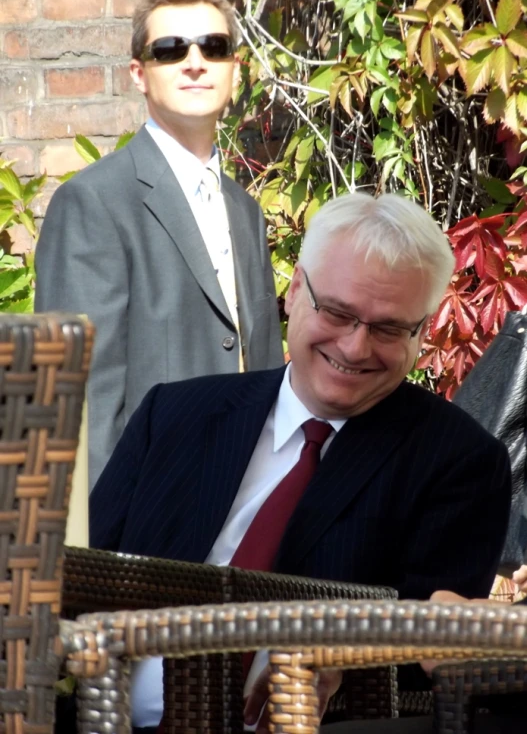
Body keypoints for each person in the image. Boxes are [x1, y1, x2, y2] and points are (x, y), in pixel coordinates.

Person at [90, 192, 512, 733]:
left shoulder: (459, 462)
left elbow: (430, 658)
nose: (356, 348)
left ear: (423, 332)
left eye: (387, 329)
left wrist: (342, 658)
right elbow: (82, 580)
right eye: (337, 313)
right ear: (293, 293)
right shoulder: (174, 415)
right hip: (96, 714)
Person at [34, 0, 283, 489]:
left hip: (242, 518)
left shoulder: (246, 212)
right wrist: (98, 556)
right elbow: (73, 403)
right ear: (138, 73)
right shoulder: (92, 204)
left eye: (213, 48)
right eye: (170, 50)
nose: (194, 62)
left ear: (235, 68)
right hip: (143, 525)